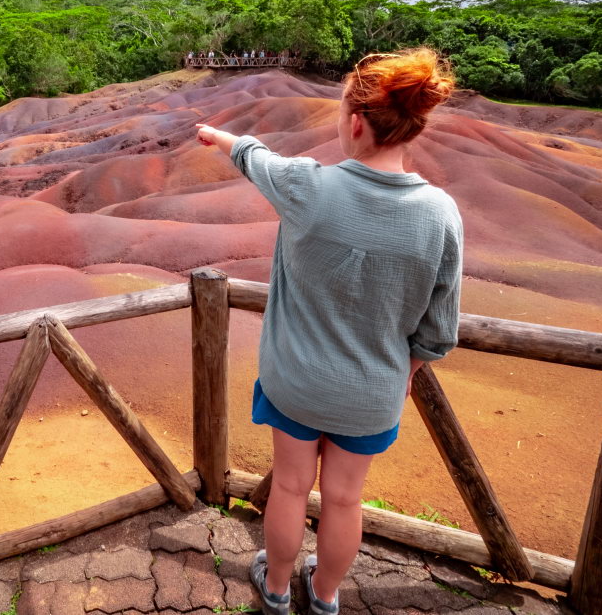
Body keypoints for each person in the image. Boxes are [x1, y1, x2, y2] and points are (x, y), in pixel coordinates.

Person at [194, 47, 462, 615]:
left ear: (356, 122)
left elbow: (254, 156)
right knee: (344, 499)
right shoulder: (440, 214)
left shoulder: (307, 186)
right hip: (371, 392)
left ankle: (273, 590)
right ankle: (326, 597)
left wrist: (216, 136)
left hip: (296, 380)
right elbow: (439, 328)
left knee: (290, 489)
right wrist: (404, 374)